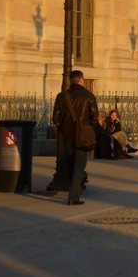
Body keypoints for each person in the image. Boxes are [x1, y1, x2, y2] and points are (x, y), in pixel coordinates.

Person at [52, 70, 99, 205]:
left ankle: (73, 187)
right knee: (79, 165)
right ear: (81, 80)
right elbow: (94, 116)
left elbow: (56, 117)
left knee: (70, 163)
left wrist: (62, 129)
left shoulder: (62, 96)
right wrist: (90, 130)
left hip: (67, 135)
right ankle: (73, 196)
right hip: (83, 135)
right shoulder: (88, 96)